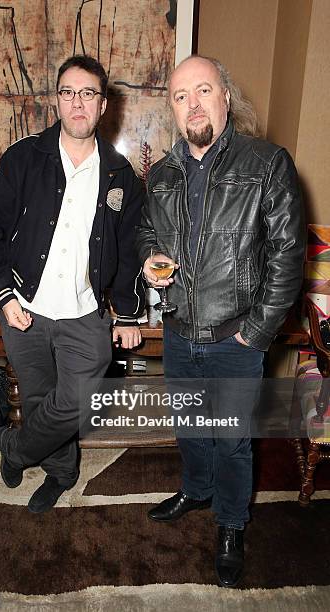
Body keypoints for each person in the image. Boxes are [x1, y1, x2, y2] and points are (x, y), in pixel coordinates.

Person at [136, 55, 304, 587]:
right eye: (181, 96)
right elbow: (145, 233)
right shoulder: (160, 175)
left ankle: (231, 523)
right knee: (190, 426)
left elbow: (287, 257)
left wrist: (254, 332)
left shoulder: (268, 163)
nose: (193, 104)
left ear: (226, 98)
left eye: (203, 90)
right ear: (173, 109)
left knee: (231, 439)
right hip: (181, 330)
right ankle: (197, 488)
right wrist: (147, 260)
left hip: (237, 336)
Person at [0, 55, 144, 514]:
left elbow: (130, 249)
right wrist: (4, 295)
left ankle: (15, 448)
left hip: (86, 314)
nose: (78, 102)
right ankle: (62, 472)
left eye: (88, 93)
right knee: (37, 400)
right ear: (57, 99)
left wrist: (127, 312)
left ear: (103, 104)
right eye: (69, 92)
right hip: (24, 310)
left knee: (74, 400)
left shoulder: (120, 174)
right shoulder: (23, 158)